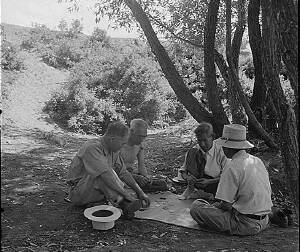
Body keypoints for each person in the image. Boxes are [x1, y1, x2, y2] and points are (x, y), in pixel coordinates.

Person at [190, 124, 273, 236]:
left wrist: (215, 206)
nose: (222, 149)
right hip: (265, 220)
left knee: (196, 207)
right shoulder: (256, 160)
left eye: (224, 146)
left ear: (228, 148)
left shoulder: (232, 166)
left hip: (244, 224)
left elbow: (226, 206)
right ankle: (273, 216)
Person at [66, 121, 150, 218]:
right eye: (122, 143)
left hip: (93, 192)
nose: (123, 147)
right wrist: (125, 194)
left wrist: (140, 192)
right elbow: (105, 175)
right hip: (79, 192)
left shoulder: (113, 150)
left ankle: (121, 202)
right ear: (112, 139)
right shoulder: (92, 147)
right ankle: (123, 202)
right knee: (103, 174)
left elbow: (123, 173)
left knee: (111, 174)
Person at [178, 122, 228, 200]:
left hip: (217, 185)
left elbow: (227, 176)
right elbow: (183, 170)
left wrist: (209, 181)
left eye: (205, 140)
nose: (202, 144)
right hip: (197, 184)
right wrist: (187, 177)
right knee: (193, 152)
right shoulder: (193, 151)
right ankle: (193, 190)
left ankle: (210, 195)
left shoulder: (221, 151)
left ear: (212, 137)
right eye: (199, 140)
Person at [119, 119, 168, 192]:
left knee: (162, 184)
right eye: (140, 136)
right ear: (131, 132)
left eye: (144, 136)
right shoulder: (119, 144)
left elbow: (141, 165)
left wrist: (146, 178)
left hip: (131, 174)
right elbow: (112, 168)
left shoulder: (139, 145)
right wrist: (134, 177)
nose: (142, 139)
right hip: (119, 176)